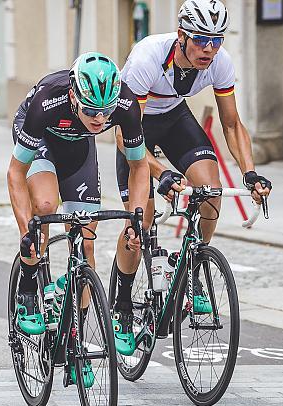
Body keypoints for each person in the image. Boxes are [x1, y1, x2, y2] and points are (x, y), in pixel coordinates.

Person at [114, 0, 272, 334]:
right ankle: (123, 305)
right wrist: (161, 171)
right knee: (138, 224)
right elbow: (124, 137)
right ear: (181, 35)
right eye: (201, 39)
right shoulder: (148, 58)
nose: (209, 49)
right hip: (134, 127)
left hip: (174, 119)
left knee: (210, 191)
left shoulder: (220, 63)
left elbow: (231, 124)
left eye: (217, 40)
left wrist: (250, 172)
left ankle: (193, 268)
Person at [8, 52, 150, 360]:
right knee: (45, 206)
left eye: (106, 112)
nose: (100, 119)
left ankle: (75, 337)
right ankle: (28, 289)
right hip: (41, 139)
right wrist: (25, 231)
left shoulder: (124, 104)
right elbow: (15, 172)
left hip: (78, 146)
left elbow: (139, 167)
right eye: (91, 111)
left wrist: (135, 220)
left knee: (86, 242)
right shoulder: (48, 100)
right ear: (74, 96)